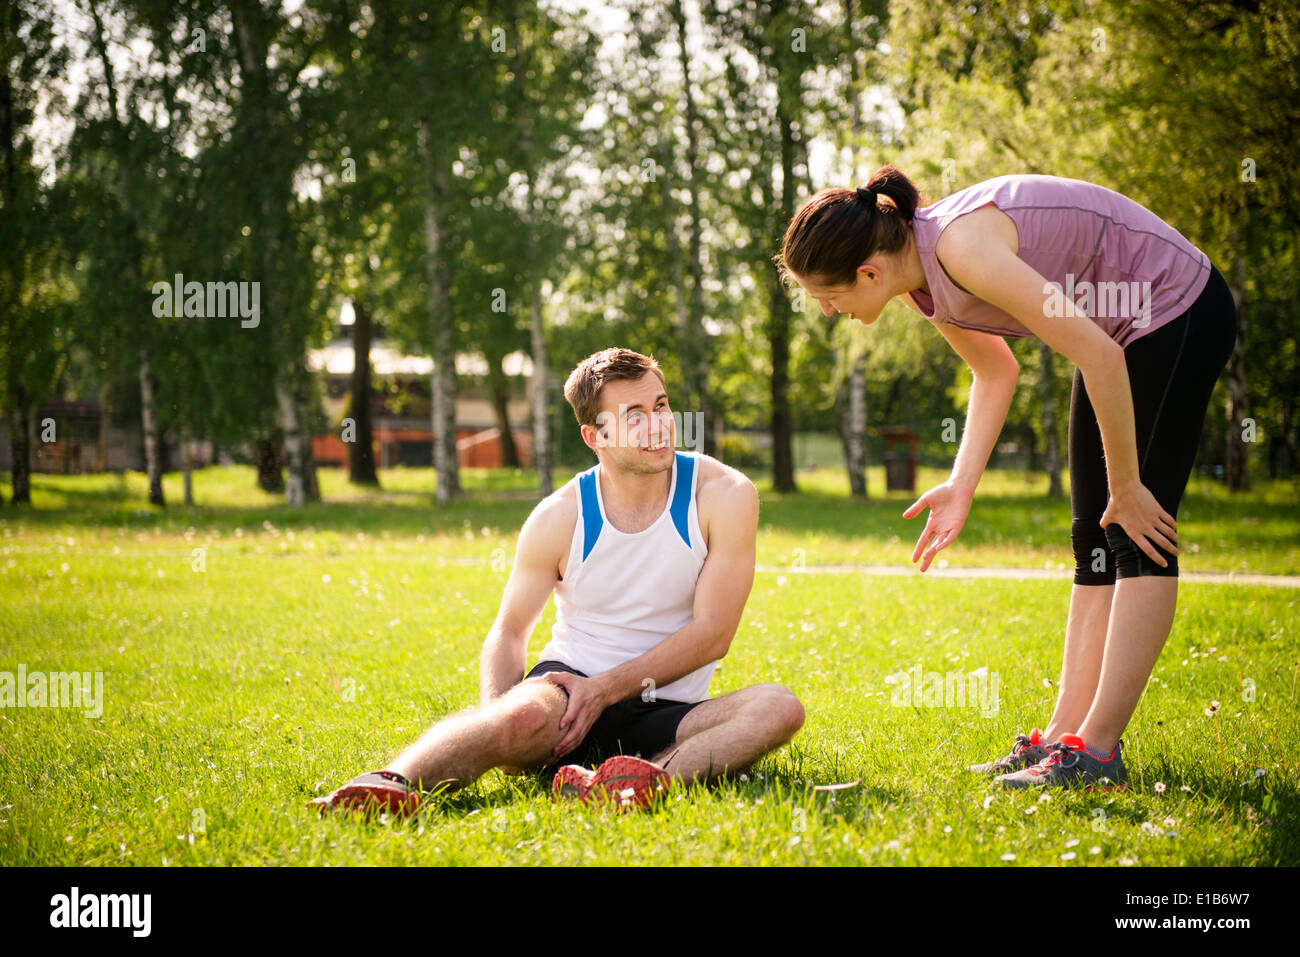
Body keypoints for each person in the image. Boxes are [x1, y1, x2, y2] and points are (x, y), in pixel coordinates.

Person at [776, 168, 1236, 790]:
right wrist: (961, 485)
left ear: (868, 273)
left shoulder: (959, 251)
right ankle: (1064, 738)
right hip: (1115, 333)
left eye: (825, 297)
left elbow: (1097, 354)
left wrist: (1127, 486)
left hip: (1173, 306)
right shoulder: (922, 279)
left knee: (1133, 530)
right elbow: (995, 372)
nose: (827, 311)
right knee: (1092, 539)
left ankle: (1097, 754)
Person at [313, 347, 805, 815]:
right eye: (634, 415)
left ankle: (638, 783)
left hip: (668, 707)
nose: (657, 426)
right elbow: (509, 631)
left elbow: (713, 635)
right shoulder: (560, 516)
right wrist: (499, 722)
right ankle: (388, 783)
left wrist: (608, 690)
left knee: (778, 708)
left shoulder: (723, 494)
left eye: (661, 405)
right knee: (519, 716)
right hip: (568, 691)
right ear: (596, 437)